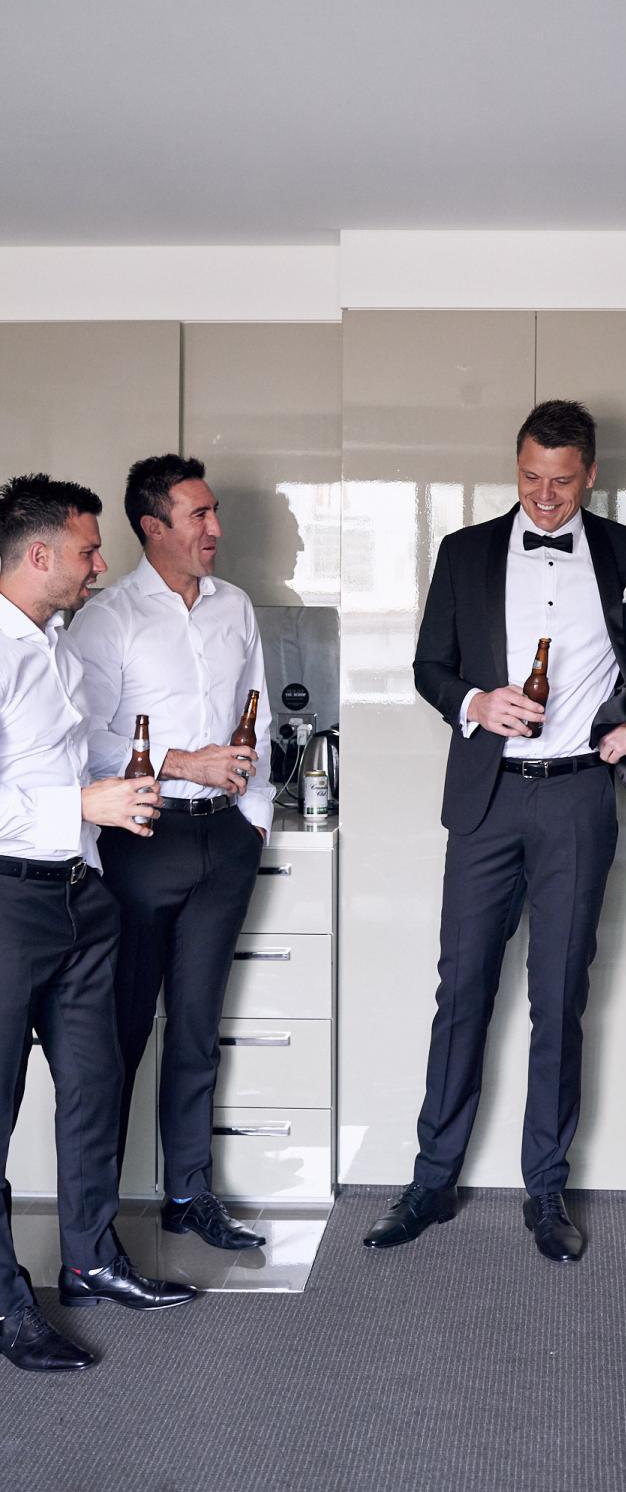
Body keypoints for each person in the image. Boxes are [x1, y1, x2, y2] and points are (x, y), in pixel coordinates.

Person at [363, 399, 626, 1262]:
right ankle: (430, 1181)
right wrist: (476, 703)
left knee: (559, 1000)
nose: (545, 497)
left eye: (562, 481)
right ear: (515, 467)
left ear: (591, 475)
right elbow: (427, 667)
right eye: (530, 478)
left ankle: (545, 1190)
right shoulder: (465, 551)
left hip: (577, 802)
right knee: (463, 992)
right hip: (487, 801)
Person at [0, 474, 194, 1376]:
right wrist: (79, 800)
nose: (100, 564)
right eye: (86, 549)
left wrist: (115, 801)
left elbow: (87, 757)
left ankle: (89, 1262)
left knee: (94, 1086)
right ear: (38, 555)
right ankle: (9, 1307)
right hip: (6, 902)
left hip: (83, 896)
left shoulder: (61, 646)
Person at [64, 455, 274, 1253]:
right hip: (137, 842)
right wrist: (185, 762)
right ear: (153, 528)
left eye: (213, 511)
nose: (215, 529)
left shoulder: (236, 608)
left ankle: (190, 1194)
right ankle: (95, 1223)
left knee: (194, 1027)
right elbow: (83, 740)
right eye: (198, 516)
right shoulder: (107, 619)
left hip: (223, 840)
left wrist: (250, 819)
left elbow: (253, 706)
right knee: (117, 1034)